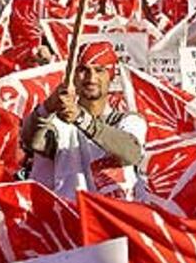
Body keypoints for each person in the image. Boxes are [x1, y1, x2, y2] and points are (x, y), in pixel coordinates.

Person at [21, 42, 146, 201]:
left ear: (111, 76)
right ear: (73, 76)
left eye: (99, 70)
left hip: (113, 219)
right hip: (73, 218)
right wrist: (47, 107)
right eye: (83, 70)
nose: (91, 78)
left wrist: (81, 119)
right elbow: (31, 141)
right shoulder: (61, 124)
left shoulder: (129, 121)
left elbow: (131, 153)